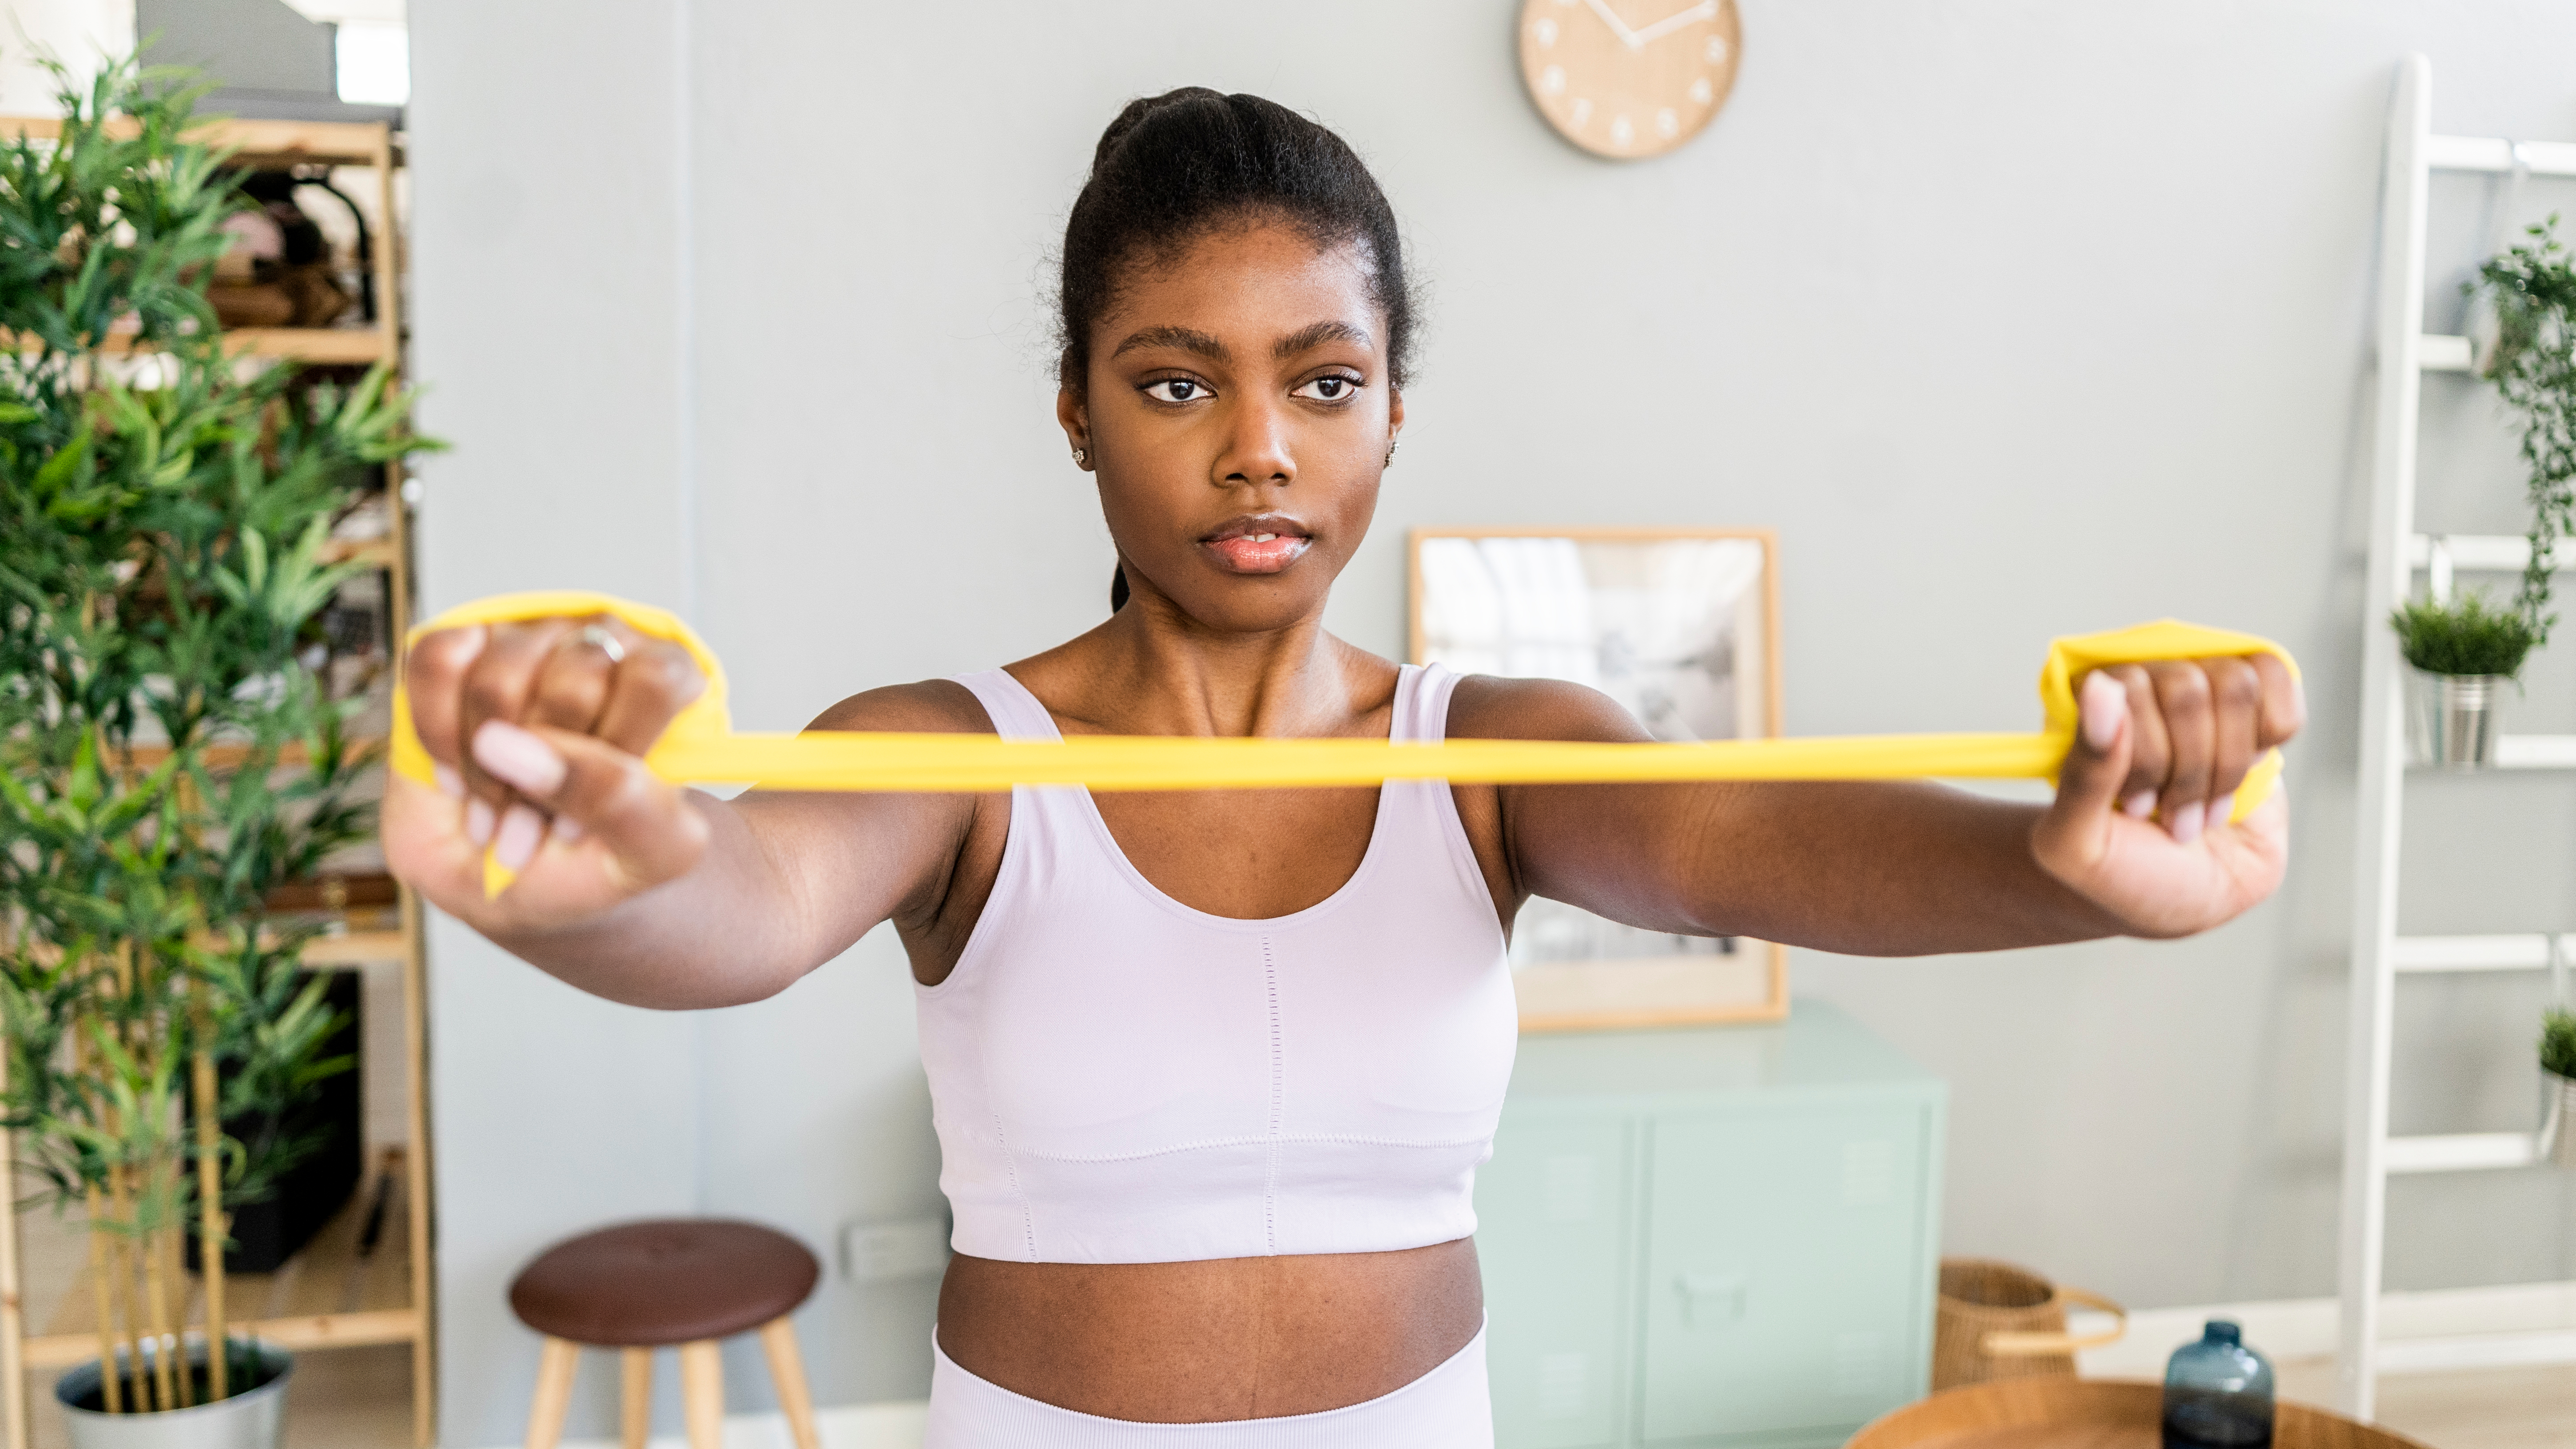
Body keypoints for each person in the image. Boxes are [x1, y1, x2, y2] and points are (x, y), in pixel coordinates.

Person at [385, 88, 2302, 1448]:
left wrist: (2058, 872)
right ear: (1074, 411)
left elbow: (1745, 843)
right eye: (1172, 381)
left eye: (1319, 381)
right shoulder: (954, 753)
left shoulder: (1493, 754)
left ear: (1393, 408)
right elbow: (745, 897)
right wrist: (606, 879)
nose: (1258, 452)